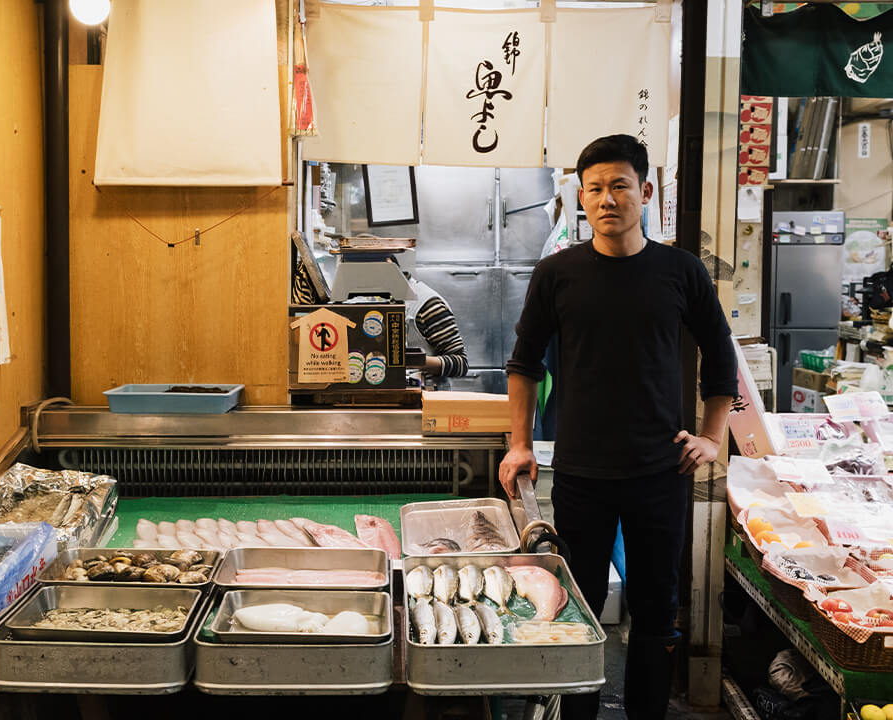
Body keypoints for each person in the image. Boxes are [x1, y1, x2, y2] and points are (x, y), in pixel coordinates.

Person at [498, 135, 737, 720]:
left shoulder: (680, 271)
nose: (608, 199)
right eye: (596, 188)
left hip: (662, 469)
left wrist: (711, 435)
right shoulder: (558, 273)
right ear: (581, 197)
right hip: (581, 472)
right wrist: (520, 444)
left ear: (645, 192)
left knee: (657, 606)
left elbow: (721, 353)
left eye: (620, 186)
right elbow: (524, 363)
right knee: (579, 605)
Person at [292, 260, 469, 379]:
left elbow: (461, 363)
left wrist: (407, 360)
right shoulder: (371, 302)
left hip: (427, 403)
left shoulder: (428, 305)